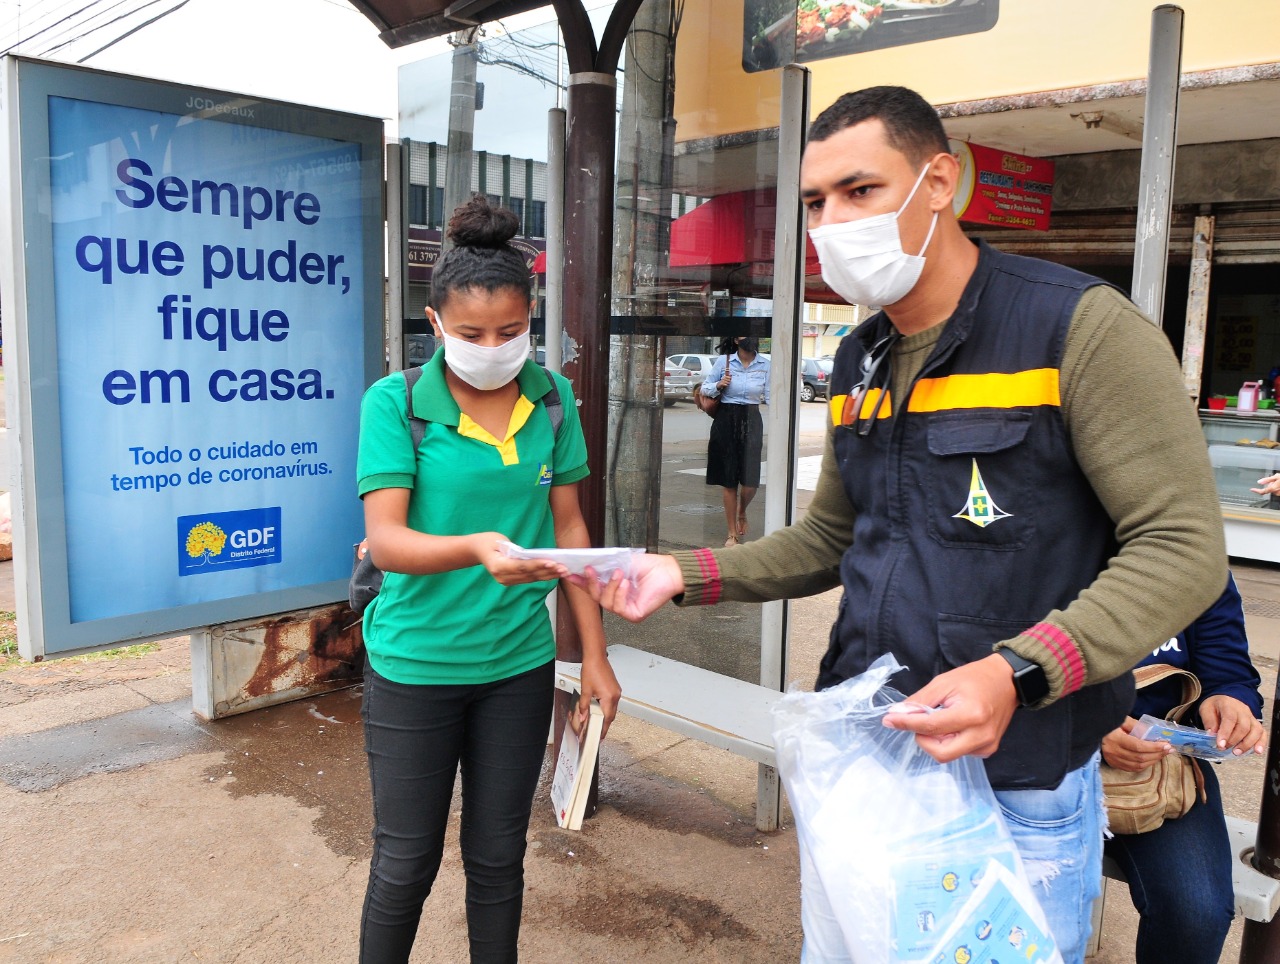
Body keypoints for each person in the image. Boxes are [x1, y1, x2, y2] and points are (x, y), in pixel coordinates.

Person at [564, 86, 1227, 962]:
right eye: (815, 201)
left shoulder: (1078, 328)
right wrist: (685, 573)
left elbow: (1183, 550)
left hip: (1022, 776)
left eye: (861, 190)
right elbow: (832, 538)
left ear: (938, 181)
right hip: (874, 750)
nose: (832, 221)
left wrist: (1019, 674)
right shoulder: (860, 353)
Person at [356, 195, 621, 964]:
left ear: (530, 317)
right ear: (434, 323)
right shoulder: (397, 403)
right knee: (405, 863)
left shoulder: (552, 396)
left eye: (510, 331)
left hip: (517, 665)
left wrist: (593, 656)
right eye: (470, 334)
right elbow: (388, 540)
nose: (492, 347)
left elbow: (570, 531)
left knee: (501, 857)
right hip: (415, 666)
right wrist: (477, 546)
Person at [1102, 574, 1265, 964]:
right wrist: (1087, 727)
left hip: (1160, 770)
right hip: (1042, 755)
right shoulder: (1041, 542)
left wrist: (1230, 700)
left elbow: (1229, 671)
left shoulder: (1196, 559)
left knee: (1197, 914)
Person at [701, 336, 771, 546]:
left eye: (751, 335)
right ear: (735, 340)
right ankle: (731, 533)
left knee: (750, 481)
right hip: (726, 419)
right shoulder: (724, 362)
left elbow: (771, 396)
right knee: (729, 479)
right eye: (743, 335)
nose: (749, 339)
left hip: (751, 419)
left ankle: (742, 510)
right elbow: (704, 388)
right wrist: (718, 384)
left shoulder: (766, 365)